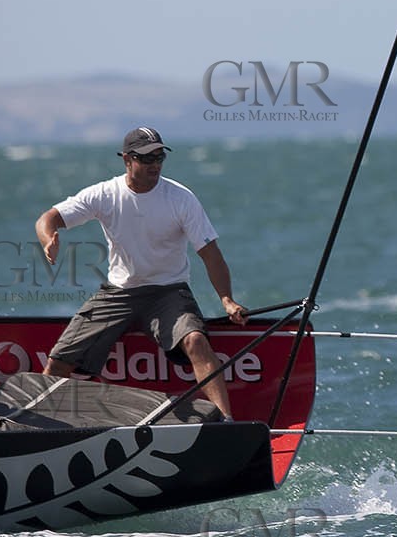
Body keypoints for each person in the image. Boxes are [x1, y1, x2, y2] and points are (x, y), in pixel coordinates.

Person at [35, 127, 249, 420]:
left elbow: (210, 252)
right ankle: (43, 423)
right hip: (119, 293)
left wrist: (227, 300)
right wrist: (49, 237)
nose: (155, 164)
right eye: (147, 157)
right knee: (59, 359)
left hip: (169, 292)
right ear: (127, 159)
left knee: (196, 340)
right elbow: (49, 218)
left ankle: (227, 421)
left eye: (160, 156)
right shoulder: (105, 194)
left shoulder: (180, 198)